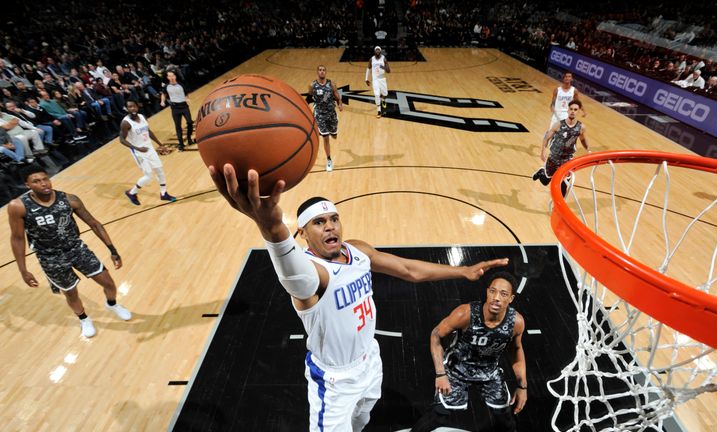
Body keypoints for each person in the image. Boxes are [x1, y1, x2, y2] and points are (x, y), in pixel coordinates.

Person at [208, 164, 509, 432]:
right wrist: (272, 228)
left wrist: (463, 271)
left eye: (334, 218)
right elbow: (291, 272)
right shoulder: (314, 275)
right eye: (319, 222)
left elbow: (408, 269)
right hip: (335, 381)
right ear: (303, 234)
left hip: (370, 360)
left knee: (362, 420)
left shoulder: (357, 251)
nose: (330, 226)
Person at [8, 164, 132, 338]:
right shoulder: (18, 206)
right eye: (36, 181)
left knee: (109, 283)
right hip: (50, 257)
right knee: (71, 293)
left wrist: (112, 249)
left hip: (77, 249)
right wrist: (23, 270)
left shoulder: (69, 199)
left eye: (45, 179)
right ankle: (83, 318)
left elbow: (94, 223)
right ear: (27, 185)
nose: (43, 184)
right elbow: (17, 238)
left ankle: (112, 304)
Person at [411, 271, 527, 432]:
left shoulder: (516, 322)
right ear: (487, 291)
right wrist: (440, 374)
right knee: (439, 413)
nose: (496, 298)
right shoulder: (465, 313)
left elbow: (516, 349)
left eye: (503, 293)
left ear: (511, 298)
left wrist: (522, 387)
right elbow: (436, 335)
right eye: (492, 291)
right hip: (457, 369)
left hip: (489, 371)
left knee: (506, 419)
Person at [119, 100, 176, 205]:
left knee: (160, 171)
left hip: (150, 149)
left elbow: (148, 131)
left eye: (134, 106)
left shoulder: (142, 117)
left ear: (137, 106)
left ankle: (163, 194)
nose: (132, 109)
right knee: (148, 176)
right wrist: (137, 148)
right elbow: (122, 140)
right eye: (130, 107)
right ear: (127, 109)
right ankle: (132, 193)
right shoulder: (125, 123)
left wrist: (160, 144)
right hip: (139, 152)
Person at [533, 100, 589, 197]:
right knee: (545, 181)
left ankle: (559, 207)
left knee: (564, 184)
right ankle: (542, 172)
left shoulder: (581, 127)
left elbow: (583, 140)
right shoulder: (559, 124)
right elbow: (547, 137)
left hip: (567, 159)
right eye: (571, 109)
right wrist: (543, 151)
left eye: (575, 109)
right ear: (567, 110)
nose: (572, 111)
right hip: (554, 157)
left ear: (578, 111)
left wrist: (588, 149)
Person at [308, 65, 343, 172]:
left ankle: (333, 131)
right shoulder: (312, 85)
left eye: (323, 70)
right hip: (320, 114)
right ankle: (329, 160)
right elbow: (310, 97)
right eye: (320, 70)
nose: (322, 72)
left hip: (331, 113)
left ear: (326, 72)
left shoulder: (331, 84)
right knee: (325, 137)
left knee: (334, 135)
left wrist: (340, 104)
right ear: (317, 72)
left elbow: (337, 96)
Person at [159, 71, 194, 151]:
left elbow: (186, 94)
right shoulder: (166, 86)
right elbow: (163, 94)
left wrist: (187, 99)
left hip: (184, 106)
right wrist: (162, 101)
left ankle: (189, 138)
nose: (171, 77)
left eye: (173, 75)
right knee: (178, 127)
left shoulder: (181, 85)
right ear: (167, 77)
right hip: (175, 108)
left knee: (189, 122)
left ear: (175, 76)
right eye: (169, 76)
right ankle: (181, 144)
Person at [365, 46, 390, 118]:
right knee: (376, 95)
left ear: (380, 51)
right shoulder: (371, 59)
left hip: (382, 79)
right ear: (374, 51)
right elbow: (368, 69)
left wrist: (382, 67)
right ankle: (379, 111)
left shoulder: (384, 58)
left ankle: (383, 100)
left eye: (379, 50)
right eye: (376, 50)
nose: (377, 51)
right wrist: (366, 79)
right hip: (375, 80)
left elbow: (388, 71)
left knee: (385, 94)